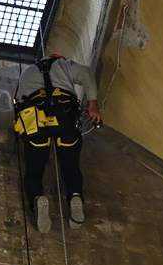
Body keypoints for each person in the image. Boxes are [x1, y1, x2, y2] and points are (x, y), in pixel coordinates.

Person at [14, 53, 101, 232]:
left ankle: (37, 198)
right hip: (65, 118)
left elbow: (19, 103)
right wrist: (93, 104)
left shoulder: (27, 73)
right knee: (70, 167)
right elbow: (85, 73)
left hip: (36, 123)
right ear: (58, 57)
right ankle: (75, 196)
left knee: (34, 170)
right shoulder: (64, 64)